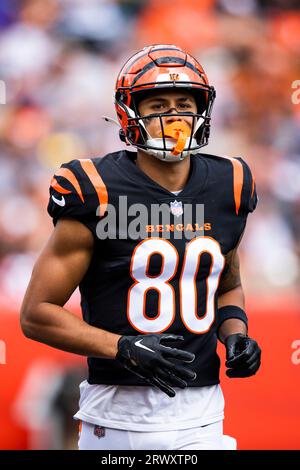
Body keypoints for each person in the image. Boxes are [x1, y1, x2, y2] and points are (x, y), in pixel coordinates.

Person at [20, 44, 261, 450]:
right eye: (158, 105)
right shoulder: (96, 188)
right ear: (130, 113)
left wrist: (235, 333)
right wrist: (122, 347)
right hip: (117, 419)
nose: (173, 115)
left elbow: (226, 283)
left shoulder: (230, 182)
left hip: (204, 416)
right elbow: (36, 314)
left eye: (184, 102)